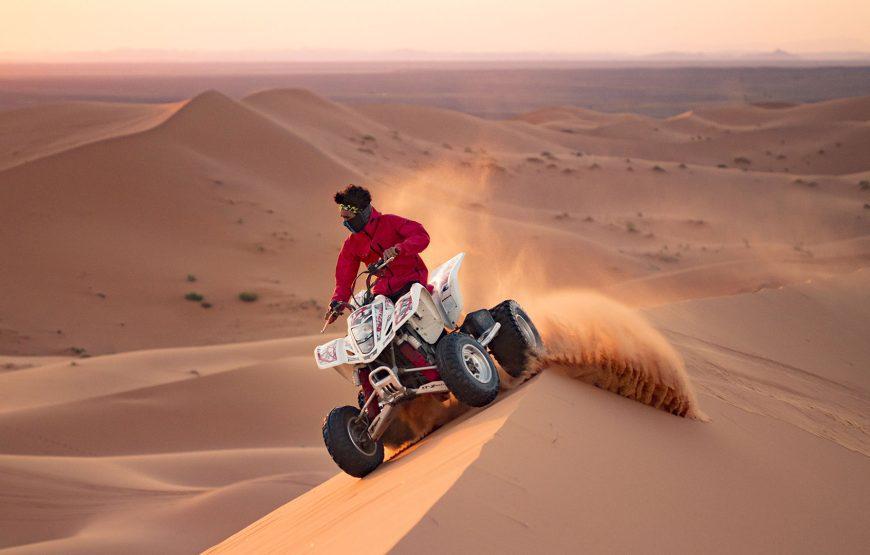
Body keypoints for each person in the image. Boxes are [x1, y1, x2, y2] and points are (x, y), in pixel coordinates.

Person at [323, 184, 430, 326]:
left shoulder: (390, 222)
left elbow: (421, 236)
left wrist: (400, 248)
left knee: (421, 323)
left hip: (412, 282)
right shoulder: (351, 244)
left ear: (362, 213)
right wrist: (337, 304)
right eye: (343, 218)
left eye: (348, 218)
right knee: (370, 326)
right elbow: (344, 278)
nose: (345, 223)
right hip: (383, 291)